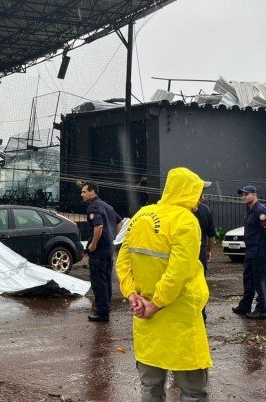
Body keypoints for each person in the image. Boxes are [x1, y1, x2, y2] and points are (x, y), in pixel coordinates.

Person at [116, 167, 212, 401]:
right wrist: (156, 303)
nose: (202, 197)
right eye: (199, 191)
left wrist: (133, 296)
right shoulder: (186, 221)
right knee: (192, 392)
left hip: (145, 321)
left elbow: (123, 261)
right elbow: (180, 271)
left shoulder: (142, 215)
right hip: (179, 318)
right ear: (188, 191)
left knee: (150, 387)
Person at [231, 185, 266, 320]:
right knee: (248, 279)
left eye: (246, 194)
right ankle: (245, 306)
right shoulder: (249, 210)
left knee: (260, 280)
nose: (243, 197)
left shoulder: (260, 211)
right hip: (251, 250)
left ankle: (262, 310)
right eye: (242, 194)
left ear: (254, 195)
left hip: (260, 251)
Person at [80, 181, 123, 323]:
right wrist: (113, 236)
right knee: (106, 280)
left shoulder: (94, 206)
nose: (82, 194)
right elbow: (120, 222)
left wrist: (93, 245)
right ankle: (106, 307)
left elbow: (98, 226)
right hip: (109, 248)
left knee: (98, 281)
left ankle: (102, 313)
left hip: (99, 250)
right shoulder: (107, 206)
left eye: (84, 191)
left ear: (92, 192)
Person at [193, 188, 215, 321]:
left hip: (184, 251)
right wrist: (208, 251)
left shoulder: (181, 209)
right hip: (200, 251)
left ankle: (188, 313)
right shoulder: (205, 210)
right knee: (200, 283)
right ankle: (201, 313)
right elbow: (211, 236)